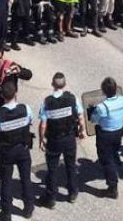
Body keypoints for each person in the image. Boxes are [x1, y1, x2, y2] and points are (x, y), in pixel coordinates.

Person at [36, 73, 86, 208]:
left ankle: (51, 198)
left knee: (52, 169)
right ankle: (73, 193)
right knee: (71, 165)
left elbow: (43, 124)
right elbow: (81, 116)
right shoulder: (72, 98)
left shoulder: (47, 102)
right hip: (69, 137)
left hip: (54, 140)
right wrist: (82, 131)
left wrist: (41, 139)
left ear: (53, 84)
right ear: (64, 84)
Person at [0, 81, 34, 220]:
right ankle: (28, 209)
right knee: (26, 179)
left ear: (2, 96)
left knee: (6, 182)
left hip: (6, 152)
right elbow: (29, 121)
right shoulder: (26, 108)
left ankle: (6, 212)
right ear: (16, 94)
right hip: (23, 149)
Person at [90, 77, 123, 199]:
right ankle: (116, 161)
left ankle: (112, 187)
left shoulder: (102, 107)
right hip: (119, 130)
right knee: (114, 149)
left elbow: (93, 120)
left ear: (103, 91)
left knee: (107, 160)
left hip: (106, 134)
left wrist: (92, 110)